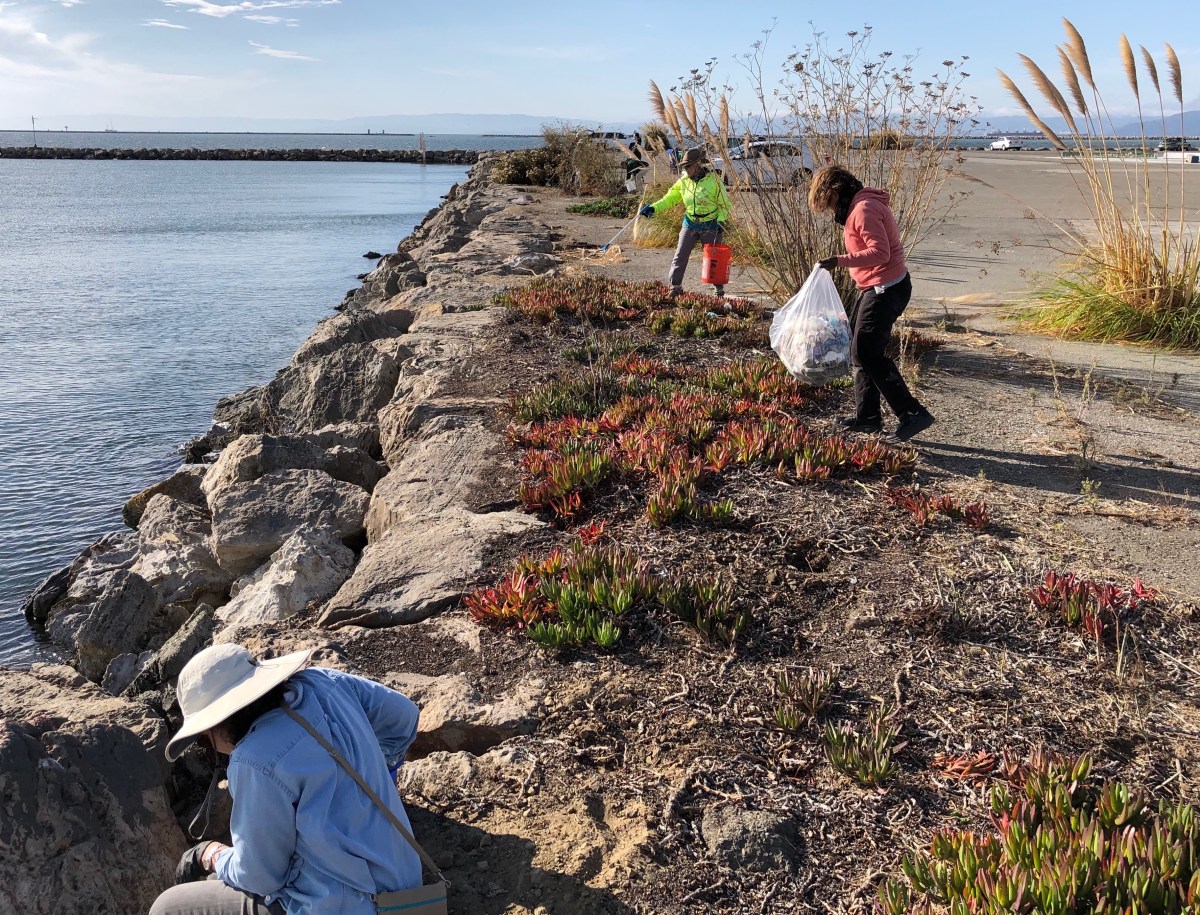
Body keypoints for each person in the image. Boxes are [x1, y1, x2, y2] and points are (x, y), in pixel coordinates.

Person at [149, 643, 423, 915]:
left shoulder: (253, 758)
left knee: (168, 906)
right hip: (409, 892)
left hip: (345, 906)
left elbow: (260, 876)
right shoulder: (322, 681)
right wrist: (378, 773)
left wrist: (211, 854)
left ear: (214, 724)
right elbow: (404, 717)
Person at [809, 166, 935, 442]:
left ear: (835, 191)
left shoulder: (864, 209)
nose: (831, 210)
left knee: (868, 353)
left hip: (885, 288)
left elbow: (880, 252)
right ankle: (867, 418)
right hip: (878, 287)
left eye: (828, 202)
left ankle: (912, 413)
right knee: (859, 351)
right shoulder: (860, 205)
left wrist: (838, 261)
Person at [639, 146, 733, 298]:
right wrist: (654, 208)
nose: (685, 169)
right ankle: (675, 287)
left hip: (711, 224)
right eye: (683, 166)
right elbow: (669, 199)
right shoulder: (683, 181)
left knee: (714, 259)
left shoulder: (714, 181)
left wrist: (721, 221)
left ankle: (719, 291)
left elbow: (725, 204)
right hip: (690, 223)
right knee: (680, 255)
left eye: (687, 166)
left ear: (697, 165)